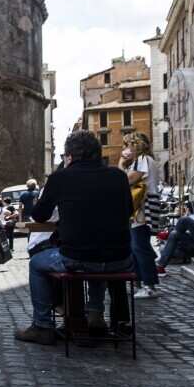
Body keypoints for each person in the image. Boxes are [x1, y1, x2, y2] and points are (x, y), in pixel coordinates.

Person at [17, 130, 133, 345]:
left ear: (69, 156)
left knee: (37, 263)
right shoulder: (118, 176)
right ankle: (95, 314)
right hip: (120, 258)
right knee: (98, 252)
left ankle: (42, 326)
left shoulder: (60, 177)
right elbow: (128, 211)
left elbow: (39, 215)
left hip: (77, 258)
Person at [121, 132, 161, 299]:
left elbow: (126, 180)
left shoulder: (143, 160)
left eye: (127, 145)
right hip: (140, 208)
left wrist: (121, 162)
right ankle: (139, 282)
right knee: (136, 245)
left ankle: (149, 285)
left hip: (142, 209)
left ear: (135, 145)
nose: (125, 149)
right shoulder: (143, 160)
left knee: (139, 246)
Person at [157, 200, 194, 268]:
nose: (185, 209)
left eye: (186, 208)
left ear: (188, 209)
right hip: (188, 246)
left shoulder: (190, 218)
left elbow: (185, 233)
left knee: (163, 247)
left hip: (187, 248)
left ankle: (161, 263)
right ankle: (161, 263)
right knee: (167, 242)